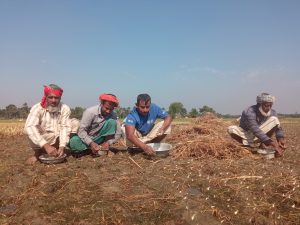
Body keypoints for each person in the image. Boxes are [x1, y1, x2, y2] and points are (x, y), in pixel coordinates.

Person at [24, 84, 79, 164]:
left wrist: (62, 146)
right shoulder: (38, 108)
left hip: (57, 136)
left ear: (60, 98)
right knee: (28, 130)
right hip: (44, 138)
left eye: (56, 98)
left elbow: (65, 127)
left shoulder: (64, 108)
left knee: (75, 123)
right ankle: (38, 153)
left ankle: (63, 149)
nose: (53, 100)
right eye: (50, 97)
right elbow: (30, 127)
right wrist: (46, 145)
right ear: (46, 97)